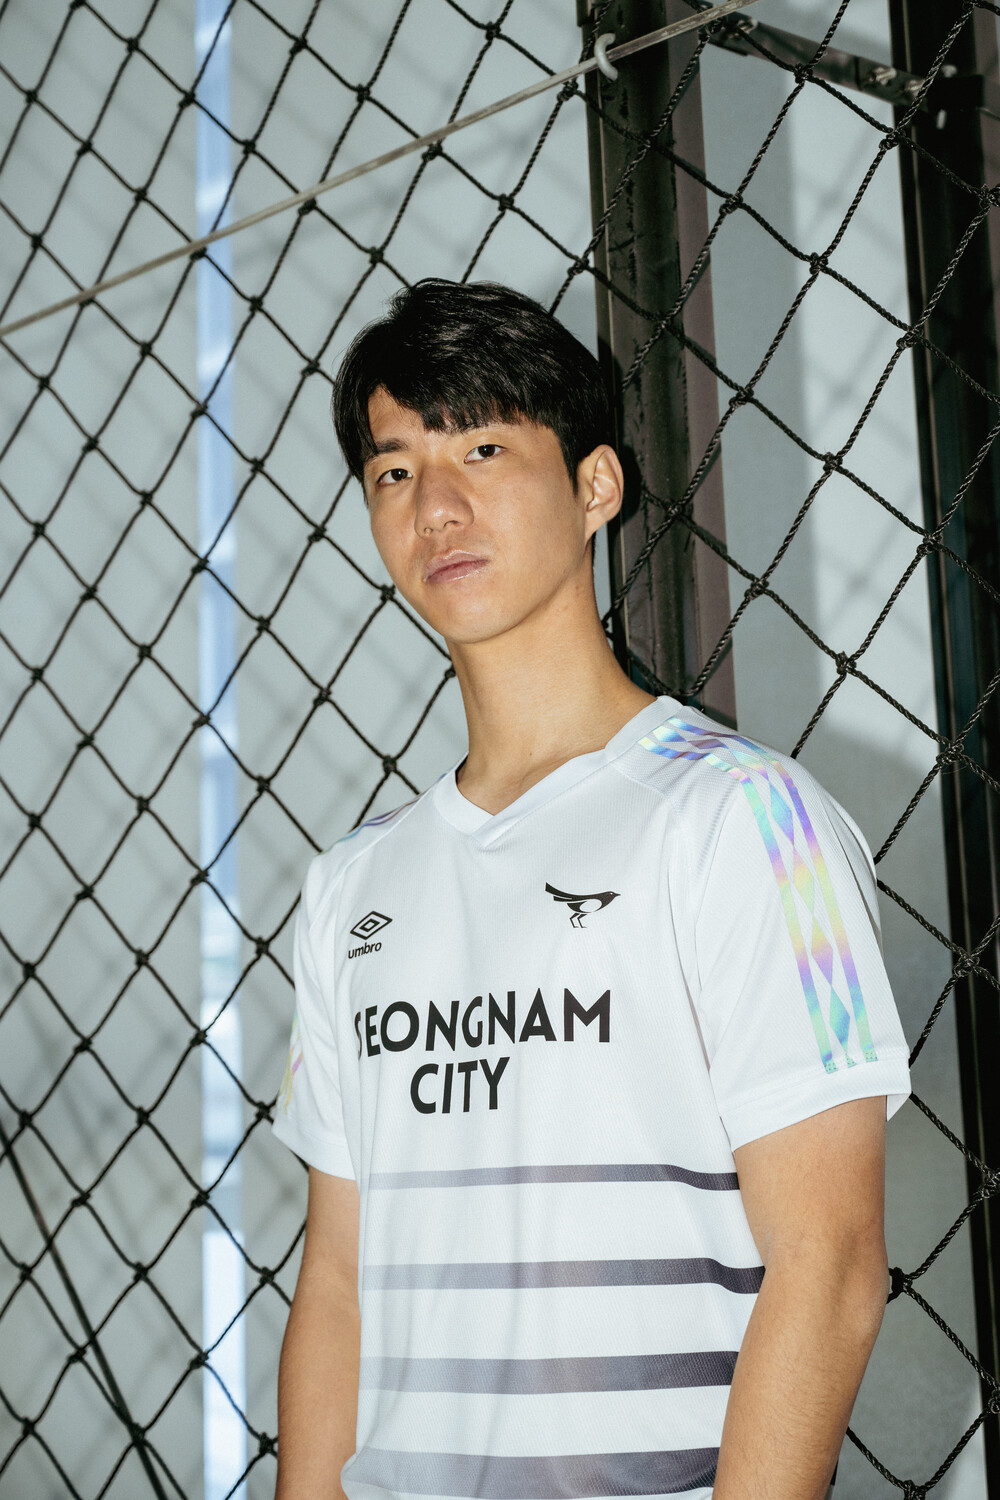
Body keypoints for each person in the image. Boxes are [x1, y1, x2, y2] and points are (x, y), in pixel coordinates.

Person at [271, 278, 911, 1500]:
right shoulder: (351, 883)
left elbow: (829, 1269)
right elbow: (337, 1279)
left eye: (484, 449)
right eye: (394, 470)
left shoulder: (746, 816)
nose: (435, 506)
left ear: (596, 486)